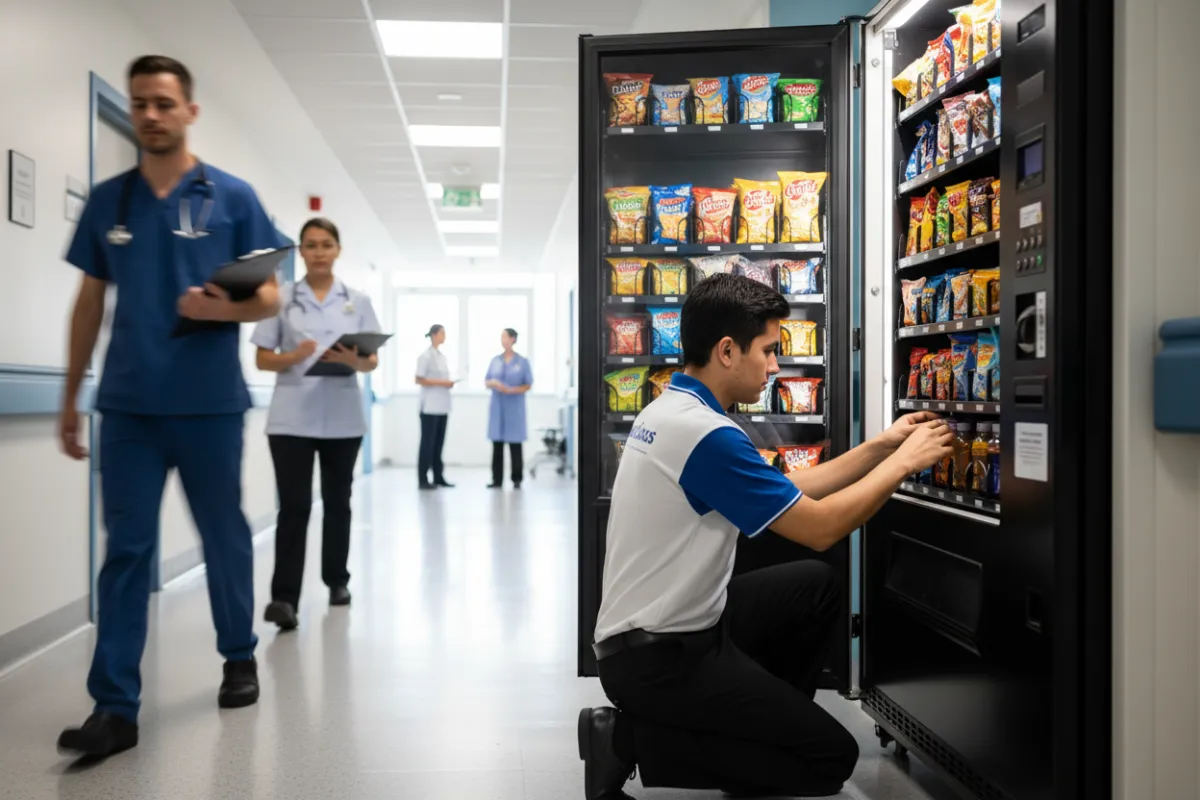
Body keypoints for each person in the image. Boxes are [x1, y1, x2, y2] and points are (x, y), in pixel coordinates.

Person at [577, 274, 953, 799]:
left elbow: (785, 488)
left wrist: (884, 447)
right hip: (658, 661)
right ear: (727, 351)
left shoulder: (675, 411)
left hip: (667, 632)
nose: (775, 366)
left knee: (813, 586)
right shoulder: (705, 434)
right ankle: (624, 738)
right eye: (769, 351)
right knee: (828, 759)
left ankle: (756, 730)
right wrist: (905, 467)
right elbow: (820, 528)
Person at [56, 55, 286, 758]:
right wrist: (70, 396)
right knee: (125, 551)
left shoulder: (233, 197)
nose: (150, 115)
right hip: (127, 407)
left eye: (163, 103)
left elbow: (272, 296)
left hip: (209, 405)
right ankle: (115, 707)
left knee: (223, 535)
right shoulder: (110, 201)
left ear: (190, 111)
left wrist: (223, 310)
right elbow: (90, 300)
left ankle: (239, 655)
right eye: (139, 104)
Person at [250, 217, 380, 631]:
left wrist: (352, 360)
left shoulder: (356, 301)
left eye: (327, 244)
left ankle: (337, 581)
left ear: (338, 250)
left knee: (338, 503)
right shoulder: (282, 298)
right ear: (300, 252)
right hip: (291, 419)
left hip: (343, 418)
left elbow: (372, 359)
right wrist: (293, 356)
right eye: (311, 245)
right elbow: (262, 357)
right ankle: (284, 598)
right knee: (295, 507)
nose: (319, 252)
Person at [484, 328, 532, 489]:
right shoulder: (495, 360)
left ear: (512, 339)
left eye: (505, 336)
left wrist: (511, 390)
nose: (502, 339)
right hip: (497, 407)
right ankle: (496, 479)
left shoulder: (522, 362)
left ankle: (516, 479)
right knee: (497, 444)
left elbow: (528, 384)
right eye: (501, 337)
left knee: (515, 444)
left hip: (514, 407)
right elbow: (487, 380)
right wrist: (494, 384)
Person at [415, 323, 456, 490]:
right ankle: (423, 479)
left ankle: (438, 476)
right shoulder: (425, 356)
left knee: (438, 444)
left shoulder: (441, 356)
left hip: (442, 407)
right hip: (429, 408)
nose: (444, 336)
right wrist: (443, 383)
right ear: (434, 335)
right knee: (427, 444)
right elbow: (419, 379)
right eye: (442, 333)